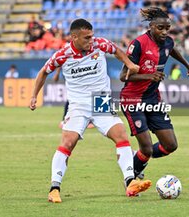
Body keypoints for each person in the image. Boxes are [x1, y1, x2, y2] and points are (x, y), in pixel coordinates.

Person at [29, 19, 151, 203]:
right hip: (78, 104)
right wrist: (33, 96)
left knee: (121, 135)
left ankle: (130, 182)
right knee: (68, 142)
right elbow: (43, 72)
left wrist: (130, 64)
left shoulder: (99, 44)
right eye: (87, 37)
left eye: (92, 36)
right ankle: (54, 188)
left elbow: (116, 50)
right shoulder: (63, 55)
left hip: (100, 100)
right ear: (74, 37)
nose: (91, 40)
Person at [119, 7, 189, 179]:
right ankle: (131, 178)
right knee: (146, 148)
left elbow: (172, 49)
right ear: (151, 27)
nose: (164, 32)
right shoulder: (138, 44)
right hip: (132, 100)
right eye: (160, 28)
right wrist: (149, 76)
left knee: (170, 145)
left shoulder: (168, 42)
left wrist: (187, 65)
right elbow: (123, 76)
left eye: (167, 28)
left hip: (153, 99)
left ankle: (135, 159)